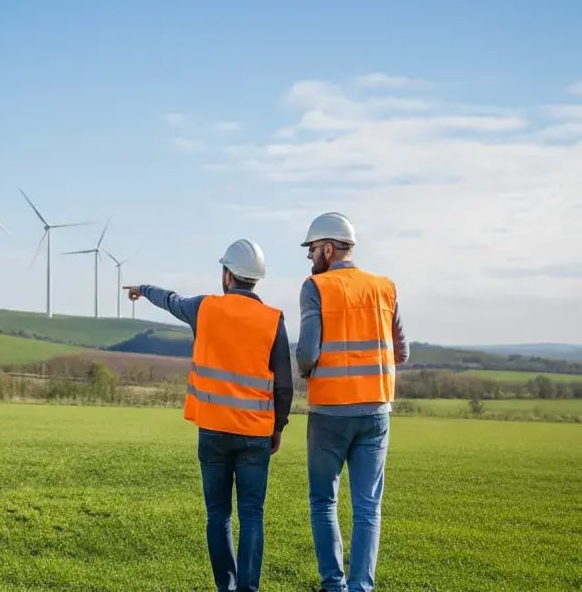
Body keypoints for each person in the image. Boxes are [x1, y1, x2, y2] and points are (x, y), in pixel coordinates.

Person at [125, 238, 293, 592]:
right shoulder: (272, 320)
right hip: (255, 436)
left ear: (227, 275)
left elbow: (170, 300)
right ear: (255, 279)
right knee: (251, 515)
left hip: (213, 431)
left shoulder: (204, 308)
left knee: (218, 515)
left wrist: (143, 289)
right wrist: (277, 427)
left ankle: (226, 587)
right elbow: (284, 386)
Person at [296, 212, 409, 592]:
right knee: (367, 507)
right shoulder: (385, 287)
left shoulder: (316, 287)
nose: (310, 257)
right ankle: (361, 587)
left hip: (329, 412)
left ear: (328, 248)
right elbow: (402, 352)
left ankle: (333, 585)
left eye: (312, 249)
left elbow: (308, 349)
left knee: (323, 502)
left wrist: (306, 369)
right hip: (376, 411)